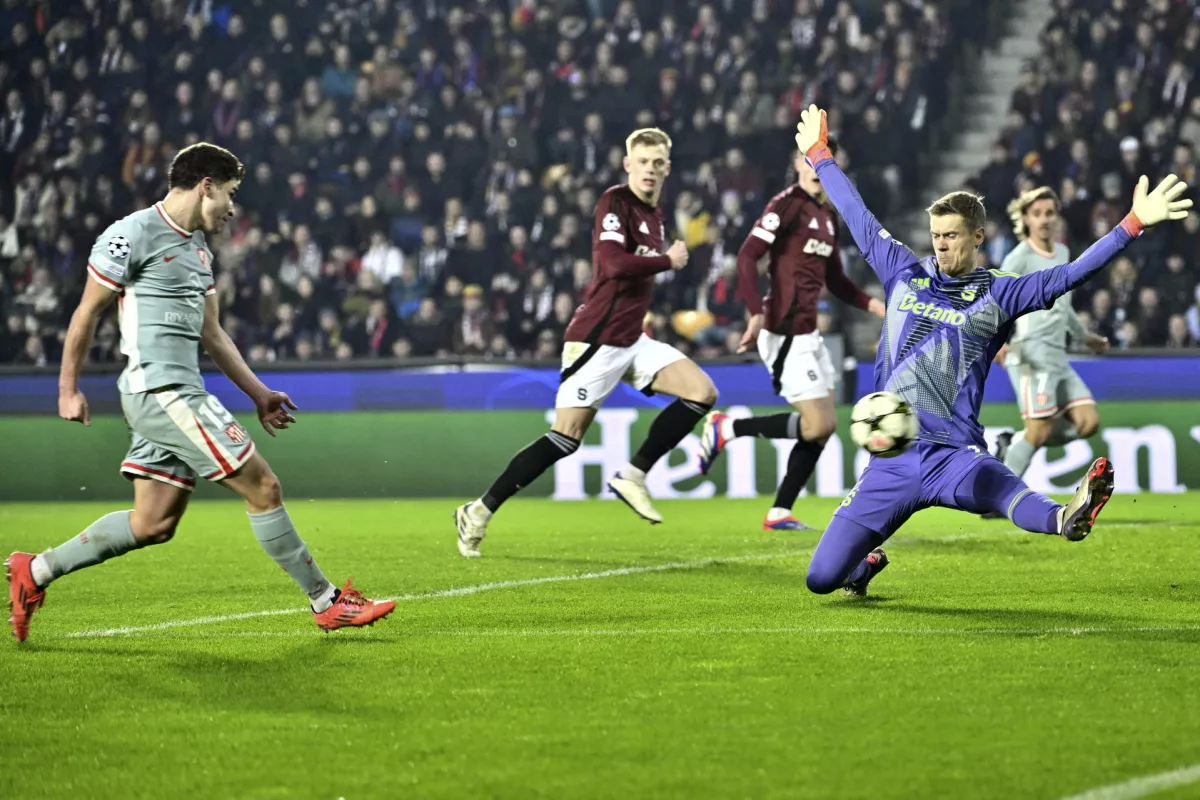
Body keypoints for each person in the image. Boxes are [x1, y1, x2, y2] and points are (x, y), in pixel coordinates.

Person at [791, 105, 1190, 596]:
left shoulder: (998, 294)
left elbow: (1069, 274)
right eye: (936, 236)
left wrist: (1131, 224)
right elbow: (855, 213)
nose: (940, 246)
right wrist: (819, 155)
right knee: (819, 580)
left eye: (951, 236)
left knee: (1001, 493)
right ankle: (862, 565)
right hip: (890, 460)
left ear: (978, 237)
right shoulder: (903, 272)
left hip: (952, 454)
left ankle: (1068, 517)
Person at [6, 143, 394, 642]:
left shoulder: (198, 251)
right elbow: (86, 312)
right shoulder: (131, 234)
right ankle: (327, 601)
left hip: (173, 392)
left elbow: (212, 334)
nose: (233, 208)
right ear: (205, 185)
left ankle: (33, 571)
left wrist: (258, 393)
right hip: (162, 390)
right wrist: (67, 389)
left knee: (152, 523)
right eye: (229, 195)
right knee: (264, 487)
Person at [453, 128, 718, 557]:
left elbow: (632, 275)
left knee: (701, 391)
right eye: (643, 161)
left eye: (658, 163)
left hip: (632, 337)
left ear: (667, 168)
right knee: (566, 437)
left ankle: (632, 474)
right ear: (627, 164)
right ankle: (478, 511)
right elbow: (612, 264)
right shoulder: (615, 202)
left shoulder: (655, 214)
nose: (650, 169)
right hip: (597, 339)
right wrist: (668, 259)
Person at [696, 139, 885, 531]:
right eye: (811, 158)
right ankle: (727, 427)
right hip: (783, 330)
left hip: (808, 333)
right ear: (798, 163)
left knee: (825, 425)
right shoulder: (785, 205)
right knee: (816, 424)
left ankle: (780, 511)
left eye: (826, 159)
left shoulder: (827, 217)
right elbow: (747, 256)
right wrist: (754, 313)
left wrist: (875, 306)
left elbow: (836, 279)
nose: (817, 167)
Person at [990, 187, 1108, 490]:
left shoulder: (1064, 253)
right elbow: (994, 301)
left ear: (1057, 217)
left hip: (1058, 354)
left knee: (1088, 422)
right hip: (1030, 353)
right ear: (1026, 219)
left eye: (1049, 213)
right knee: (1040, 429)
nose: (1044, 220)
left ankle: (1014, 441)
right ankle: (998, 495)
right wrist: (996, 341)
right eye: (1037, 214)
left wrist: (1085, 336)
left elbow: (1063, 306)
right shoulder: (1019, 257)